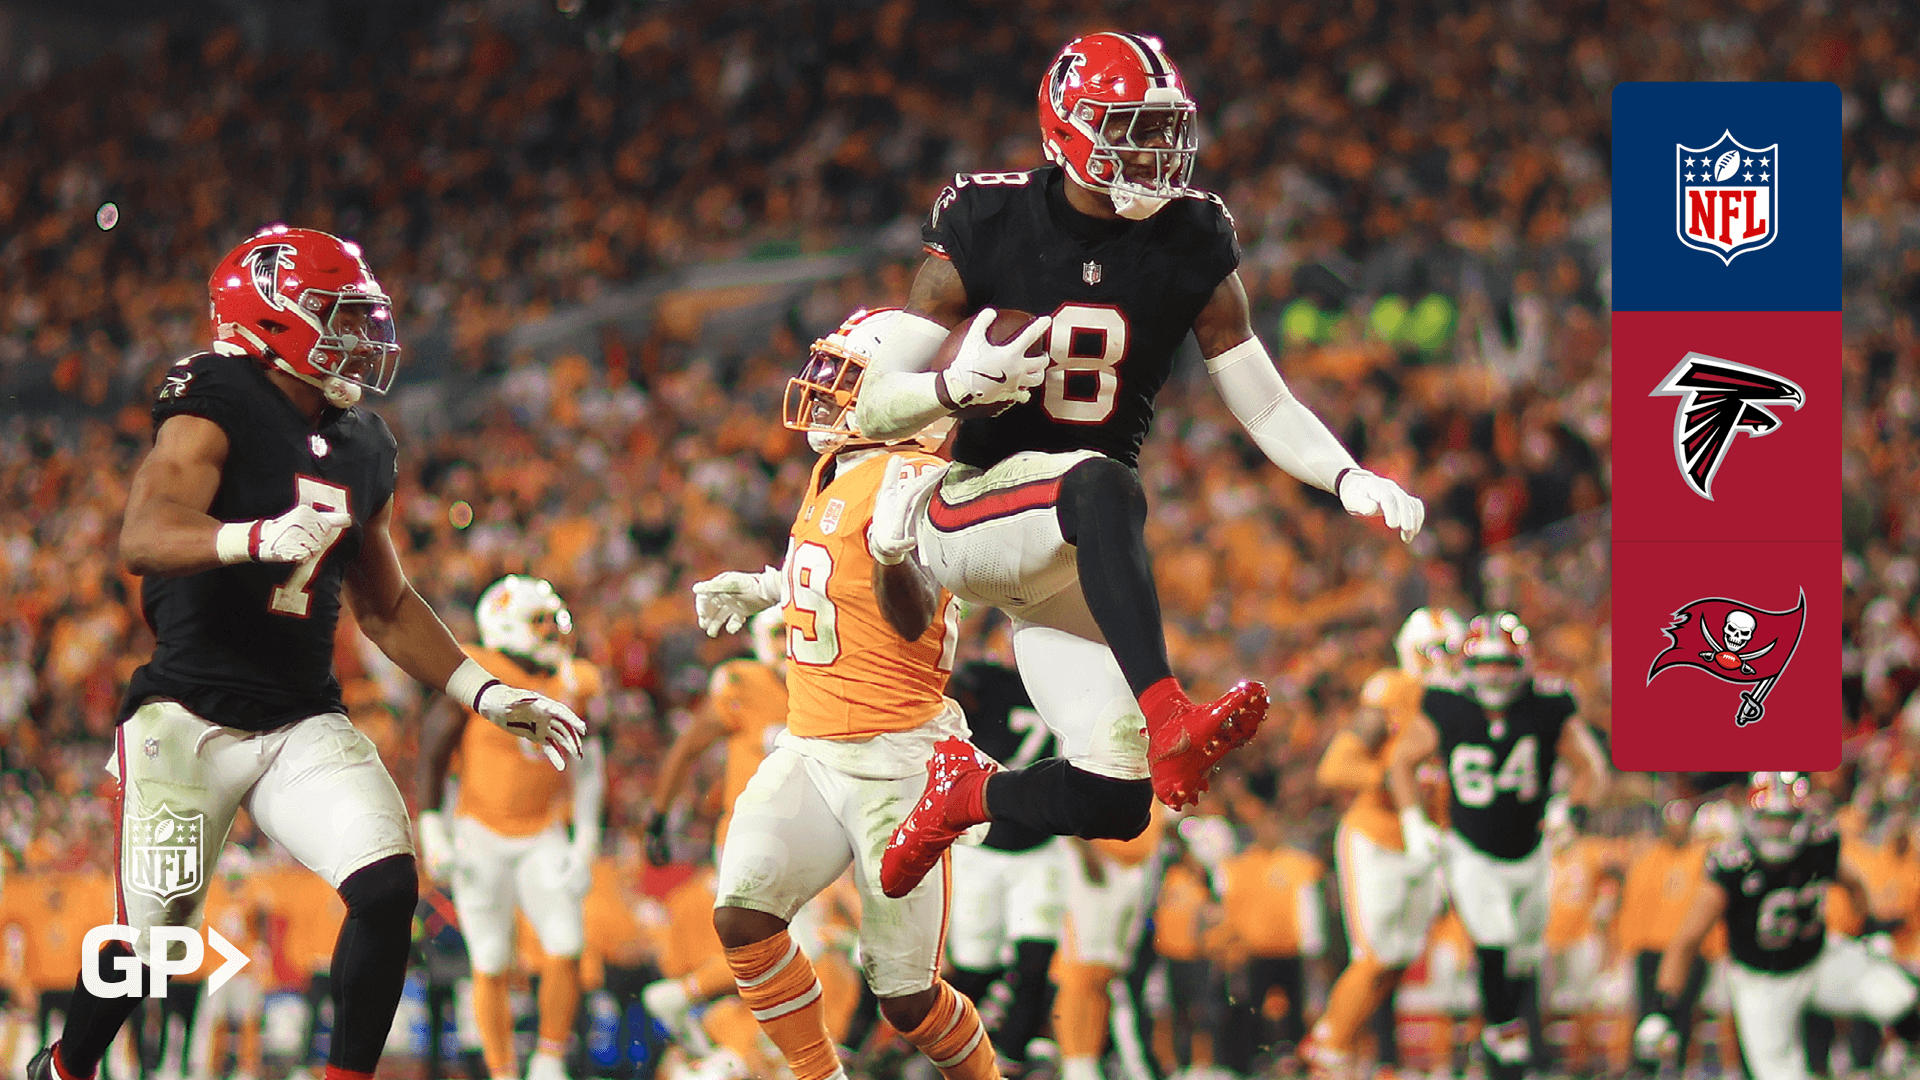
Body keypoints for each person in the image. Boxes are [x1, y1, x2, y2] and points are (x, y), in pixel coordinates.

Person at [856, 30, 1425, 899]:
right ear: (1066, 127)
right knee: (1101, 480)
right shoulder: (991, 218)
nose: (1156, 149)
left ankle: (964, 795)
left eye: (1165, 127)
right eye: (1131, 127)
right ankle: (1171, 714)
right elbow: (873, 398)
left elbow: (1264, 402)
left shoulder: (1193, 235)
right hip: (967, 512)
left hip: (1069, 549)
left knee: (1118, 798)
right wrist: (955, 387)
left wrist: (1348, 475)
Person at [26, 226, 586, 1080]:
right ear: (271, 317)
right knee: (151, 937)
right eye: (339, 315)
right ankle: (65, 1066)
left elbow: (387, 606)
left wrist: (487, 691)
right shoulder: (215, 394)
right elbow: (143, 534)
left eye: (361, 317)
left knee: (388, 884)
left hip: (299, 718)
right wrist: (252, 538)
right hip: (187, 717)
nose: (360, 337)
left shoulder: (364, 443)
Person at [694, 306, 998, 1080]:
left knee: (906, 999)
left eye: (848, 380)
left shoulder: (922, 478)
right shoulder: (843, 463)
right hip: (812, 744)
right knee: (743, 917)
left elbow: (911, 614)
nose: (826, 393)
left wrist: (895, 553)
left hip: (897, 761)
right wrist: (768, 586)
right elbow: (836, 567)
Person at [1388, 611, 1609, 1080]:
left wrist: (1573, 811)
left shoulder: (1548, 705)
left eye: (1504, 664)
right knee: (1494, 937)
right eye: (1484, 664)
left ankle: (1509, 1037)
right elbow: (1401, 761)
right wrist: (1412, 821)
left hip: (1530, 849)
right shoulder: (1446, 704)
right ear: (1467, 667)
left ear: (1523, 665)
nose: (1493, 675)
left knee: (1525, 953)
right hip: (1470, 846)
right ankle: (1502, 1034)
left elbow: (1590, 767)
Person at [415, 575, 607, 1080]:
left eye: (553, 620)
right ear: (503, 624)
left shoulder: (576, 679)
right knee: (491, 957)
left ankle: (548, 1061)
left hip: (542, 830)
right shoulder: (477, 669)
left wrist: (585, 837)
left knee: (566, 943)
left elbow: (589, 764)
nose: (551, 631)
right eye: (538, 621)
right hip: (479, 831)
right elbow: (434, 751)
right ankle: (502, 1072)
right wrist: (433, 830)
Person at [1638, 773, 1920, 1080]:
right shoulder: (1734, 865)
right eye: (1769, 820)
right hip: (1763, 981)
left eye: (1785, 820)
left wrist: (1872, 930)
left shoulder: (1817, 844)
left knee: (1896, 995)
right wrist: (1663, 1008)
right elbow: (1686, 941)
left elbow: (1854, 885)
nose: (1777, 829)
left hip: (1817, 958)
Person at [1301, 609, 1460, 1078]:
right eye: (1435, 650)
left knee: (1396, 959)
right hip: (1377, 837)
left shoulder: (1464, 700)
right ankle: (1327, 1046)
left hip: (1426, 842)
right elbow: (1335, 768)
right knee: (1373, 956)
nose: (1443, 661)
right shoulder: (1393, 692)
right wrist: (1391, 779)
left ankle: (1348, 1046)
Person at [941, 656, 1066, 1075]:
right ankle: (943, 1050)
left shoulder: (1067, 680)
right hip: (982, 846)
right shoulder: (987, 677)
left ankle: (1011, 1055)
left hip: (1039, 845)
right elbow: (951, 691)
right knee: (975, 967)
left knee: (1036, 958)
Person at [1618, 800, 1717, 1077]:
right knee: (1648, 1011)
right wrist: (1630, 943)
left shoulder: (1704, 858)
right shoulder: (1649, 858)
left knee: (1683, 1012)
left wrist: (1713, 947)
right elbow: (1634, 903)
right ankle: (1644, 1067)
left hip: (1691, 949)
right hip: (1653, 947)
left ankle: (1677, 1066)